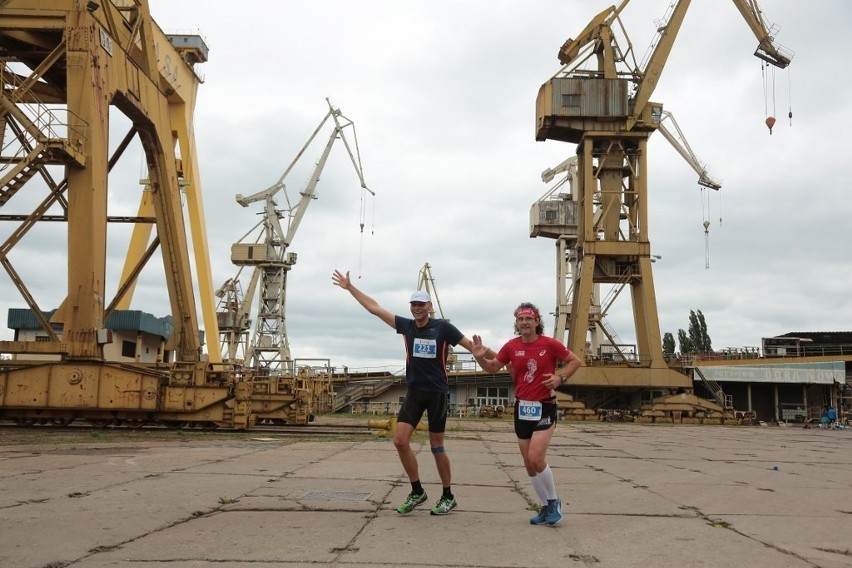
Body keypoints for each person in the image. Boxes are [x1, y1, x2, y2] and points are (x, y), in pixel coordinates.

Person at [332, 269, 477, 516]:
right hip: (415, 392)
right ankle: (417, 490)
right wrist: (350, 288)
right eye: (413, 305)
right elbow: (375, 308)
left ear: (430, 306)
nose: (417, 308)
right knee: (400, 441)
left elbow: (474, 348)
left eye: (421, 304)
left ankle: (447, 495)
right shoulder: (407, 326)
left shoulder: (444, 328)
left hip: (438, 394)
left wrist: (498, 360)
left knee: (436, 447)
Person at [471, 302, 581, 526]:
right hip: (522, 408)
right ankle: (544, 507)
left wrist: (560, 377)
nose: (524, 323)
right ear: (517, 323)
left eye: (528, 319)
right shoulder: (511, 346)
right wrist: (479, 356)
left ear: (537, 321)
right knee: (528, 463)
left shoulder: (549, 344)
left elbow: (576, 360)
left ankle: (554, 501)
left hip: (544, 406)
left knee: (536, 457)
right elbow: (492, 367)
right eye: (520, 319)